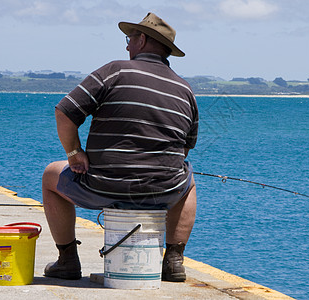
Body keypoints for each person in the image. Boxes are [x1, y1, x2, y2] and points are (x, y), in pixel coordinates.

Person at [41, 12, 198, 283]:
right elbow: (182, 153)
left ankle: (67, 259)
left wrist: (74, 152)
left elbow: (64, 112)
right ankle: (173, 259)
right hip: (162, 191)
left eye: (130, 38)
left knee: (49, 176)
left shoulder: (115, 70)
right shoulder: (185, 91)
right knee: (189, 181)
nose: (126, 46)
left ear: (143, 40)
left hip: (103, 185)